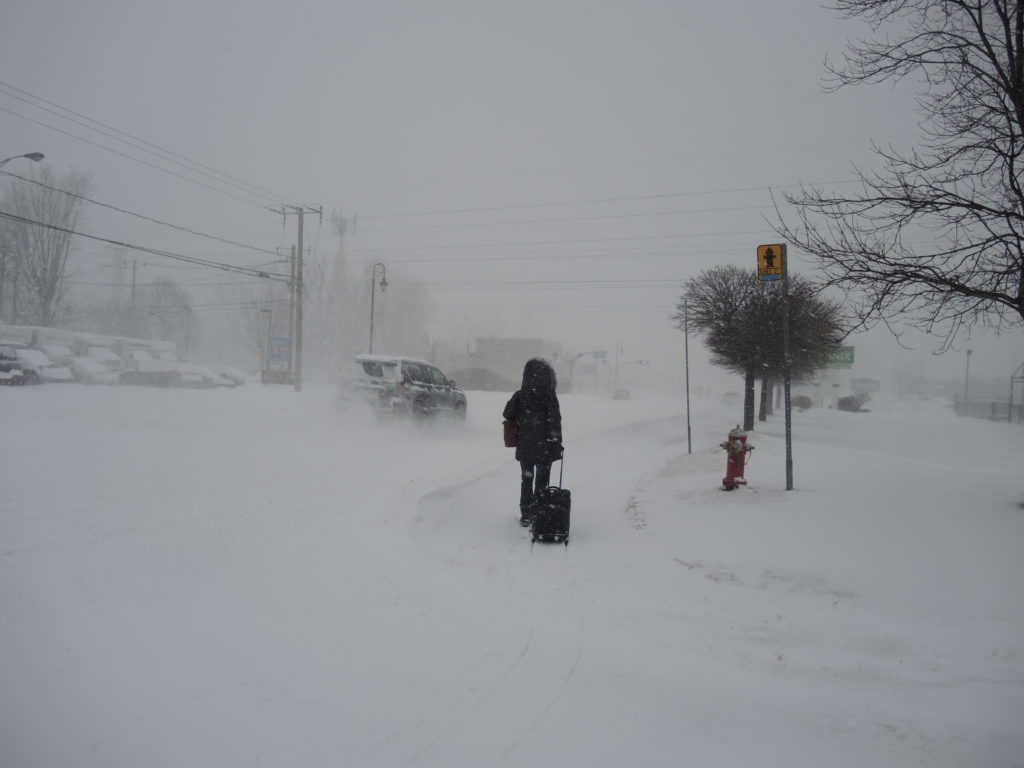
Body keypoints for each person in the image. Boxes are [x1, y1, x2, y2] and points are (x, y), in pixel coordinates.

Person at [503, 358, 563, 525]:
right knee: (542, 481)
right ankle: (539, 511)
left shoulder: (520, 395)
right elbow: (555, 422)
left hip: (526, 446)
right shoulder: (550, 396)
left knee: (526, 478)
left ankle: (526, 513)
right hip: (545, 447)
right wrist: (556, 444)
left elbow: (507, 414)